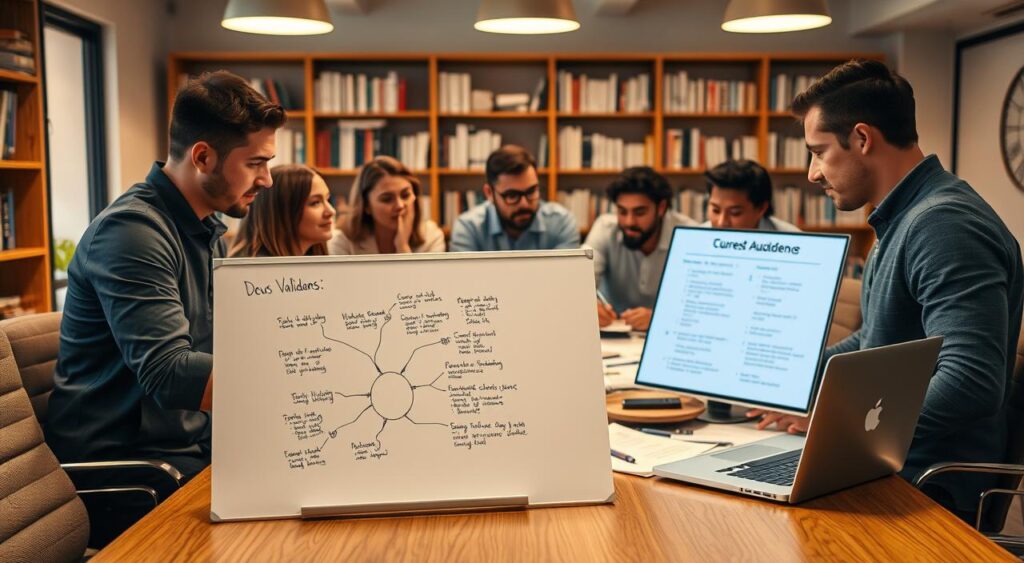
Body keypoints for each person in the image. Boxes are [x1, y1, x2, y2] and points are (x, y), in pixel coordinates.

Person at [748, 59, 1023, 522]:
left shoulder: (943, 225)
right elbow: (875, 338)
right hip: (889, 469)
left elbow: (969, 383)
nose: (812, 173)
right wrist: (789, 385)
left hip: (926, 492)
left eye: (818, 152)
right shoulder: (904, 217)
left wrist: (840, 434)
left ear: (861, 138)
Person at [47, 71, 284, 542]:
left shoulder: (205, 230)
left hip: (182, 450)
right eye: (256, 162)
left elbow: (223, 350)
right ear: (202, 156)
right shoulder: (132, 232)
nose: (268, 179)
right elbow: (171, 373)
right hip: (126, 473)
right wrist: (299, 384)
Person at [584, 166, 697, 331]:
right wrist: (587, 304)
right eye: (622, 212)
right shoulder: (605, 228)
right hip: (614, 336)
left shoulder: (689, 236)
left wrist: (659, 316)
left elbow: (703, 308)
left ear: (661, 208)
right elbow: (579, 281)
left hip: (668, 334)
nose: (629, 222)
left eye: (640, 212)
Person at [449, 145, 579, 252]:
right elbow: (464, 283)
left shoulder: (561, 223)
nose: (524, 204)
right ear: (489, 193)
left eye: (531, 191)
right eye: (512, 195)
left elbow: (567, 282)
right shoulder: (469, 228)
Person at [330, 155, 445, 254]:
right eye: (387, 199)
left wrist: (402, 246)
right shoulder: (343, 241)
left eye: (405, 195)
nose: (400, 205)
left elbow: (424, 280)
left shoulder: (432, 237)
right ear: (366, 206)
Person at [230, 164, 335, 257]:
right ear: (281, 212)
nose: (331, 211)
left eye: (327, 199)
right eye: (315, 203)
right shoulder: (253, 272)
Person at [701, 159, 800, 231]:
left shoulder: (792, 242)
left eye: (735, 213)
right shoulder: (695, 239)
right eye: (716, 210)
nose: (721, 223)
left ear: (761, 208)